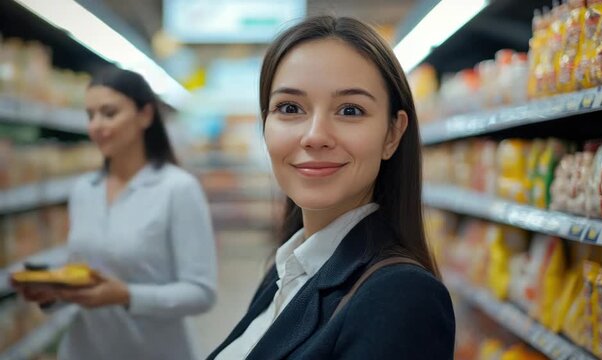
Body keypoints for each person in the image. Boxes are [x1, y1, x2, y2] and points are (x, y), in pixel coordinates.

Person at [208, 16, 455, 360]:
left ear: (392, 134)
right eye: (290, 108)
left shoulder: (400, 298)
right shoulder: (287, 270)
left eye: (350, 110)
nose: (315, 136)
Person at [13, 68, 217, 360]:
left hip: (153, 352)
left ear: (145, 115)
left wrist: (126, 296)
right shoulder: (85, 189)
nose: (96, 125)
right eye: (90, 115)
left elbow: (201, 293)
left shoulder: (178, 189)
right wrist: (54, 294)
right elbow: (81, 273)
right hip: (84, 350)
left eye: (109, 113)